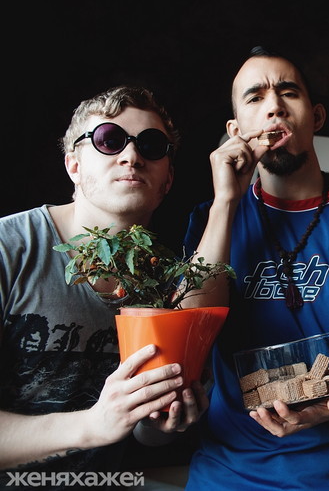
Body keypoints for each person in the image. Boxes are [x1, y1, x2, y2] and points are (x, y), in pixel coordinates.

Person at [180, 46, 329, 490]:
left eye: (288, 92)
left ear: (316, 117)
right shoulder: (211, 220)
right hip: (230, 475)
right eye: (255, 97)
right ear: (235, 131)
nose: (274, 106)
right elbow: (189, 336)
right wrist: (227, 202)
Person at [0, 86, 205, 488]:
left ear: (167, 180)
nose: (132, 156)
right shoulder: (10, 248)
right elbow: (104, 424)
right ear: (73, 165)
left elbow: (144, 434)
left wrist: (161, 421)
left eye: (151, 145)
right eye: (109, 140)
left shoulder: (165, 279)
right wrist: (94, 425)